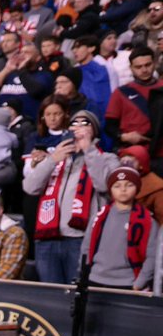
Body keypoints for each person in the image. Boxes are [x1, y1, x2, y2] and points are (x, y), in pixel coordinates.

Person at [23, 110, 119, 284]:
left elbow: (103, 184)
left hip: (81, 239)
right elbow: (30, 187)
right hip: (47, 239)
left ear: (94, 131)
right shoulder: (57, 158)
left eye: (85, 123)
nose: (79, 128)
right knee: (49, 298)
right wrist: (52, 160)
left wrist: (89, 149)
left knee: (77, 295)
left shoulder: (107, 158)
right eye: (74, 123)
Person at [81, 166, 158, 290]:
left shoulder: (147, 221)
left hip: (127, 283)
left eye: (129, 185)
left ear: (137, 188)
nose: (123, 190)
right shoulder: (99, 217)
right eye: (117, 186)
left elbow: (152, 257)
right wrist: (83, 275)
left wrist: (139, 283)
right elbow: (86, 248)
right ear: (111, 190)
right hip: (95, 279)